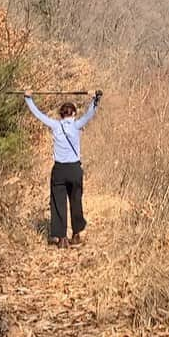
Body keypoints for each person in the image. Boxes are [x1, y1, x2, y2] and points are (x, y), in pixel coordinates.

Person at [24, 89, 102, 248]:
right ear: (73, 113)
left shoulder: (55, 125)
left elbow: (38, 114)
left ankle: (61, 239)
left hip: (59, 170)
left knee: (58, 202)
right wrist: (95, 98)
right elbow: (90, 113)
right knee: (76, 201)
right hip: (74, 169)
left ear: (61, 114)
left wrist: (28, 98)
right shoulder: (77, 124)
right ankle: (76, 234)